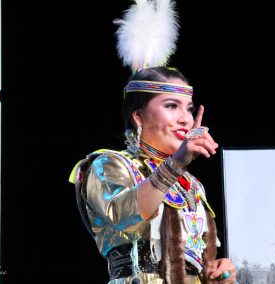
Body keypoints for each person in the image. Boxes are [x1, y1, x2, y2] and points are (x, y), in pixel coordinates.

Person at [68, 0, 236, 283]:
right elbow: (126, 218)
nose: (185, 118)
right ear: (139, 116)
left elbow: (199, 259)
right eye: (172, 106)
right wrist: (175, 165)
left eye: (189, 108)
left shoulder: (193, 186)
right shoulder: (108, 164)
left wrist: (220, 271)